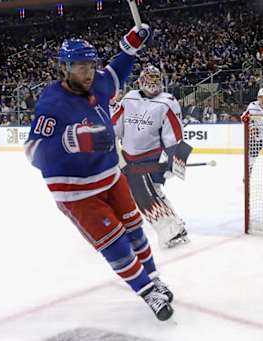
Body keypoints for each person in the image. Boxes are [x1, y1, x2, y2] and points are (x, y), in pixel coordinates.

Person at [24, 26, 175, 321]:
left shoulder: (98, 83)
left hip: (110, 176)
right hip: (77, 192)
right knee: (116, 243)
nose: (89, 72)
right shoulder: (51, 103)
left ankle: (154, 278)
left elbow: (115, 72)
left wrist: (131, 45)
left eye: (91, 64)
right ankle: (147, 292)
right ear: (64, 68)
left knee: (135, 230)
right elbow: (33, 152)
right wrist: (72, 140)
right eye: (81, 66)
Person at [111, 65, 189, 249]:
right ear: (141, 80)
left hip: (152, 158)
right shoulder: (129, 98)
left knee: (148, 193)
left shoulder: (168, 102)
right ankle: (175, 225)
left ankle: (173, 229)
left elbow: (176, 134)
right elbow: (116, 125)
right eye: (149, 79)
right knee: (144, 193)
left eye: (156, 79)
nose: (153, 83)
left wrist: (174, 161)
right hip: (129, 157)